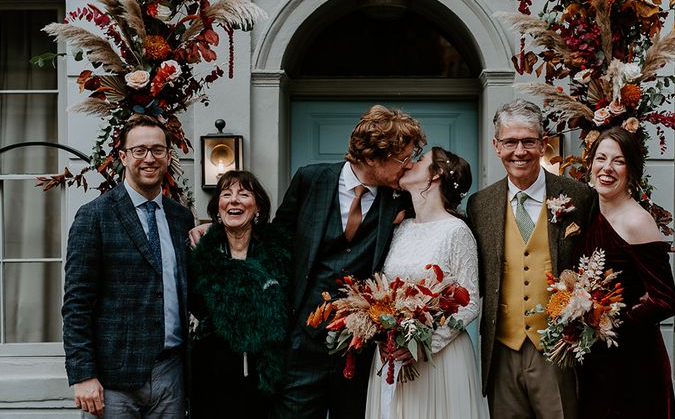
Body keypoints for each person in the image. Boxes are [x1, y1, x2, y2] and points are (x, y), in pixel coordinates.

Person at [189, 104, 426, 419]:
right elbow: (271, 238)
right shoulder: (311, 179)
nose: (408, 166)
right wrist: (218, 228)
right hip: (301, 342)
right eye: (402, 159)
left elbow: (437, 221)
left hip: (357, 347)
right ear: (372, 158)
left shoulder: (400, 198)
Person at [467, 100, 597, 419]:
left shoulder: (579, 197)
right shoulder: (480, 206)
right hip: (502, 349)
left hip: (557, 348)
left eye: (528, 141)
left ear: (543, 144)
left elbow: (596, 267)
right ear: (497, 146)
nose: (520, 151)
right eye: (510, 142)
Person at [62, 114, 195, 418]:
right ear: (123, 157)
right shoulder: (94, 216)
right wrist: (83, 375)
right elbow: (76, 303)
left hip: (171, 374)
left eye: (158, 150)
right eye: (139, 150)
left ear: (168, 156)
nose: (149, 158)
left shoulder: (180, 218)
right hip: (113, 380)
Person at [365, 146, 489, 419]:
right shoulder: (402, 228)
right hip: (392, 354)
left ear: (436, 175)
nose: (409, 164)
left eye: (420, 160)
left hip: (438, 360)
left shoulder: (457, 231)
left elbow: (469, 305)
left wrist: (422, 346)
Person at [577, 126, 675, 418]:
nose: (606, 168)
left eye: (618, 161)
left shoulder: (637, 221)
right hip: (597, 361)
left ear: (631, 170)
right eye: (601, 158)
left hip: (634, 361)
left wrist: (608, 322)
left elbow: (665, 299)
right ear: (591, 164)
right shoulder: (591, 212)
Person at [188, 170, 291, 417]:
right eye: (226, 194)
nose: (234, 200)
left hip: (266, 378)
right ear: (218, 208)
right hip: (212, 377)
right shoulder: (199, 255)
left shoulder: (279, 253)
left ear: (257, 208)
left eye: (243, 194)